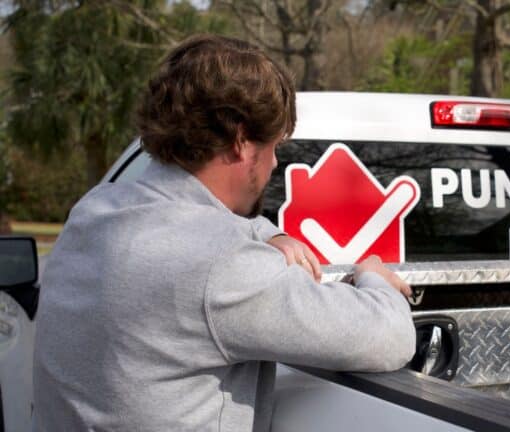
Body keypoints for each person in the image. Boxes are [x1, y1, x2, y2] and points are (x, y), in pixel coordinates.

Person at [33, 35, 416, 431]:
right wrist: (372, 274)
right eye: (273, 146)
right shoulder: (221, 264)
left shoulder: (94, 211)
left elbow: (204, 227)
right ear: (240, 142)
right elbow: (390, 338)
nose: (274, 163)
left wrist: (265, 234)